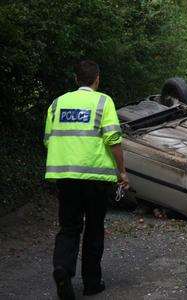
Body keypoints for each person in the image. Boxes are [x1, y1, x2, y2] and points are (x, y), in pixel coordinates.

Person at [44, 60, 129, 299]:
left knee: (69, 227)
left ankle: (63, 268)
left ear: (75, 79)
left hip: (65, 177)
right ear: (97, 79)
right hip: (96, 177)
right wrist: (122, 171)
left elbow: (49, 139)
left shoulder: (57, 103)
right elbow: (113, 140)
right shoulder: (103, 101)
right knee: (94, 228)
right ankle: (92, 283)